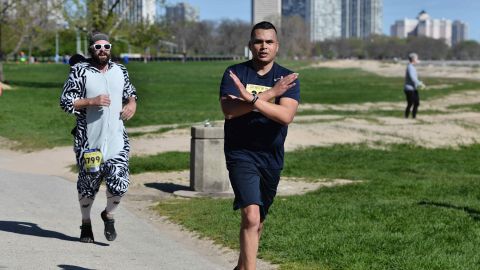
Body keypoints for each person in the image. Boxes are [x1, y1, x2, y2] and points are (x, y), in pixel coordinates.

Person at [219, 21, 300, 270]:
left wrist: (250, 98)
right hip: (241, 153)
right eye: (258, 41)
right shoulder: (235, 73)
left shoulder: (287, 78)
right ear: (250, 45)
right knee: (250, 216)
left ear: (277, 46)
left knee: (259, 220)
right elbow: (230, 111)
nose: (263, 46)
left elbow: (285, 116)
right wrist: (268, 95)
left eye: (269, 42)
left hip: (271, 157)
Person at [60, 33, 137, 243]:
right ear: (91, 49)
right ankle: (86, 223)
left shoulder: (120, 70)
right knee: (88, 185)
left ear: (110, 48)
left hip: (116, 140)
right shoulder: (79, 71)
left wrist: (131, 103)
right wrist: (91, 101)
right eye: (98, 46)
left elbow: (130, 91)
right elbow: (66, 102)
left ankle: (108, 215)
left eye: (106, 46)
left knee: (120, 184)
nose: (102, 49)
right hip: (89, 143)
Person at [404, 52, 425, 118]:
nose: (417, 60)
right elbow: (412, 77)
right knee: (410, 103)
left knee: (416, 103)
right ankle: (406, 116)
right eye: (416, 58)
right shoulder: (410, 67)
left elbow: (414, 78)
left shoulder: (412, 67)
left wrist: (419, 83)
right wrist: (419, 84)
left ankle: (414, 116)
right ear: (413, 59)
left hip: (413, 88)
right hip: (409, 89)